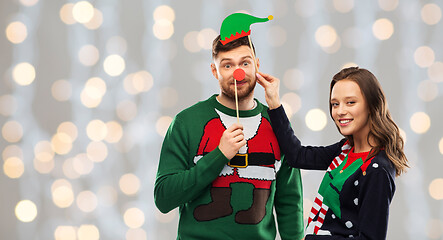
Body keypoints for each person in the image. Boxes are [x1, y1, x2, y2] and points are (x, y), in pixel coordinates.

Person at [154, 35, 304, 240]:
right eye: (227, 65)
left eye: (244, 63)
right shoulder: (186, 122)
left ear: (257, 66)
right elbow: (164, 198)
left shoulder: (277, 123)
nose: (238, 72)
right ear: (215, 71)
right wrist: (219, 155)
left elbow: (289, 201)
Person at [256, 66, 409, 239]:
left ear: (372, 105)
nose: (340, 111)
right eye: (335, 104)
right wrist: (274, 102)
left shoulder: (377, 169)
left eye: (350, 102)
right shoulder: (344, 151)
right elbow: (297, 156)